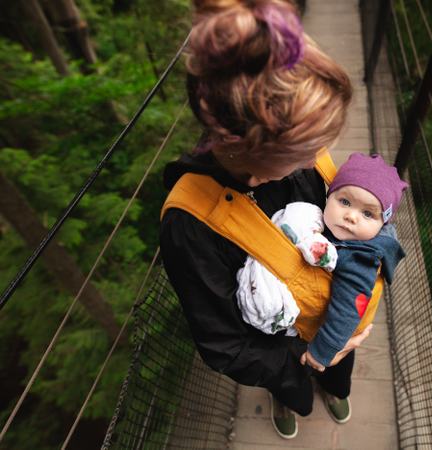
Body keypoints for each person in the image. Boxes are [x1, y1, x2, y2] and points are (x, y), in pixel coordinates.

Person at [159, 0, 370, 440]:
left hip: (334, 313)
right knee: (292, 385)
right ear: (255, 158)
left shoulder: (304, 163)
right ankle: (291, 396)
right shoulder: (191, 226)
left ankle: (334, 386)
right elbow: (225, 345)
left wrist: (342, 335)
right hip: (279, 349)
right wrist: (307, 355)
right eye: (304, 151)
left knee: (338, 370)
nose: (319, 158)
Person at [235, 152, 408, 374]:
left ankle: (337, 393)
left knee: (336, 373)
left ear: (382, 224)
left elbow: (348, 308)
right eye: (344, 201)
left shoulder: (360, 258)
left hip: (335, 335)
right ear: (329, 196)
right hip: (323, 323)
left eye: (367, 214)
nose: (351, 216)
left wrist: (322, 352)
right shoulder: (338, 231)